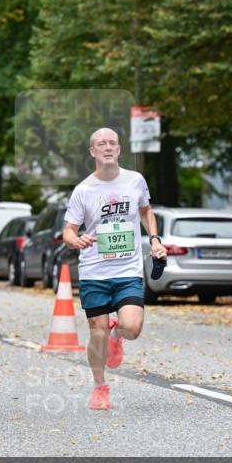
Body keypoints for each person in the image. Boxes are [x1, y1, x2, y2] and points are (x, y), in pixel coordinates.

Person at [62, 127, 167, 411]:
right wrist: (77, 239)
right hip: (95, 272)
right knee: (96, 330)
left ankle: (116, 335)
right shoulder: (83, 190)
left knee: (132, 326)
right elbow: (68, 232)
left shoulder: (135, 181)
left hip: (128, 270)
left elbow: (145, 210)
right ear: (93, 152)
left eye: (112, 143)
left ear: (119, 150)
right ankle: (100, 387)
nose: (107, 147)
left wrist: (155, 239)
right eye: (101, 143)